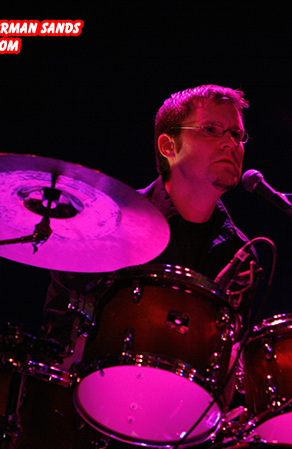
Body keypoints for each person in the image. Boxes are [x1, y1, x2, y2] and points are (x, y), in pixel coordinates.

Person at [43, 83, 257, 359]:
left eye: (237, 134)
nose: (231, 143)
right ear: (169, 146)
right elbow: (60, 336)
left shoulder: (242, 256)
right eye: (211, 130)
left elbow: (229, 359)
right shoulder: (109, 223)